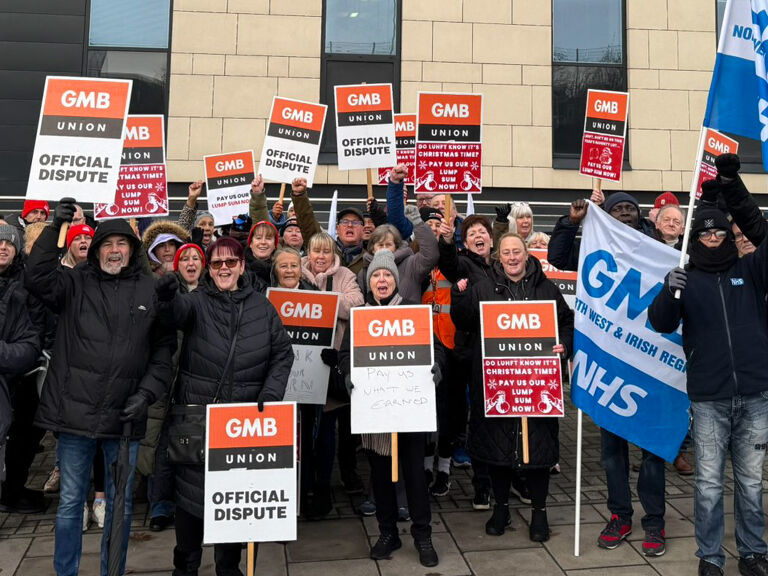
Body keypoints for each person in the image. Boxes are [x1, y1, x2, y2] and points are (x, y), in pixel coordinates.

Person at [25, 198, 173, 576]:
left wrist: (146, 394)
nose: (114, 250)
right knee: (71, 502)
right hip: (75, 415)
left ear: (132, 249)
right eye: (107, 244)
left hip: (126, 418)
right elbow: (37, 277)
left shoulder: (149, 289)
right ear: (95, 250)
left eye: (122, 244)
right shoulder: (74, 282)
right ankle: (66, 572)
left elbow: (162, 353)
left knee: (121, 508)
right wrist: (51, 235)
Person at [649, 156, 768, 576]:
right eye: (706, 230)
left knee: (752, 484)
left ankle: (753, 553)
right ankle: (711, 557)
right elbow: (660, 323)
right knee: (709, 486)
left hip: (755, 394)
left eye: (720, 229)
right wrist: (668, 291)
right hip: (710, 399)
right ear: (696, 237)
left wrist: (731, 187)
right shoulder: (687, 277)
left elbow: (761, 233)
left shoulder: (751, 270)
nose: (714, 236)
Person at [155, 236, 293, 576]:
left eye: (231, 262)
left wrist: (270, 395)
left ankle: (227, 568)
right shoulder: (195, 302)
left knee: (236, 506)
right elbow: (173, 316)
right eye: (217, 263)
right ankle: (185, 565)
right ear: (209, 269)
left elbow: (282, 354)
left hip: (244, 427)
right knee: (190, 502)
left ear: (242, 266)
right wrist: (167, 294)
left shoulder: (263, 308)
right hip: (197, 422)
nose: (224, 268)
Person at [548, 190, 667, 556]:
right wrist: (573, 223)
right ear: (608, 214)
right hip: (609, 362)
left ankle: (655, 522)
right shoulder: (594, 242)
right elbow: (558, 257)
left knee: (650, 452)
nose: (626, 213)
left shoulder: (656, 247)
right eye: (618, 208)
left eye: (631, 207)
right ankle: (620, 515)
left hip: (649, 366)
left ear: (640, 214)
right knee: (612, 452)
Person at [451, 232, 573, 541]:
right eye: (506, 252)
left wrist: (565, 345)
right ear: (498, 256)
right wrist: (458, 295)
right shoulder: (482, 289)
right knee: (499, 450)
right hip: (498, 384)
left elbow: (566, 321)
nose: (512, 257)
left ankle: (540, 512)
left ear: (527, 254)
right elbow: (462, 321)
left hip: (536, 384)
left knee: (540, 451)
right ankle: (501, 508)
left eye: (517, 251)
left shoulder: (546, 288)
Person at [338, 250, 442, 568]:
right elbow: (344, 354)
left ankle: (422, 535)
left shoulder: (413, 312)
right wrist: (348, 374)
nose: (381, 280)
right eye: (375, 276)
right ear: (368, 283)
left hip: (410, 412)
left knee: (413, 476)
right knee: (381, 478)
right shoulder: (360, 317)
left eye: (386, 276)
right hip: (376, 411)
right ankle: (387, 533)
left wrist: (437, 366)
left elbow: (435, 348)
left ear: (395, 281)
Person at [299, 232, 365, 517]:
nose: (321, 256)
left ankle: (323, 488)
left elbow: (357, 304)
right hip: (299, 370)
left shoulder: (346, 275)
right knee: (301, 433)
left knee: (326, 434)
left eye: (326, 251)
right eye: (316, 251)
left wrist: (325, 302)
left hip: (330, 366)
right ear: (308, 253)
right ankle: (303, 489)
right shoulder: (294, 271)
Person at [0, 225, 40, 506]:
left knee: (24, 434)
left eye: (9, 243)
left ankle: (12, 490)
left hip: (20, 376)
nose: (2, 247)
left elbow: (29, 343)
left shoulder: (25, 287)